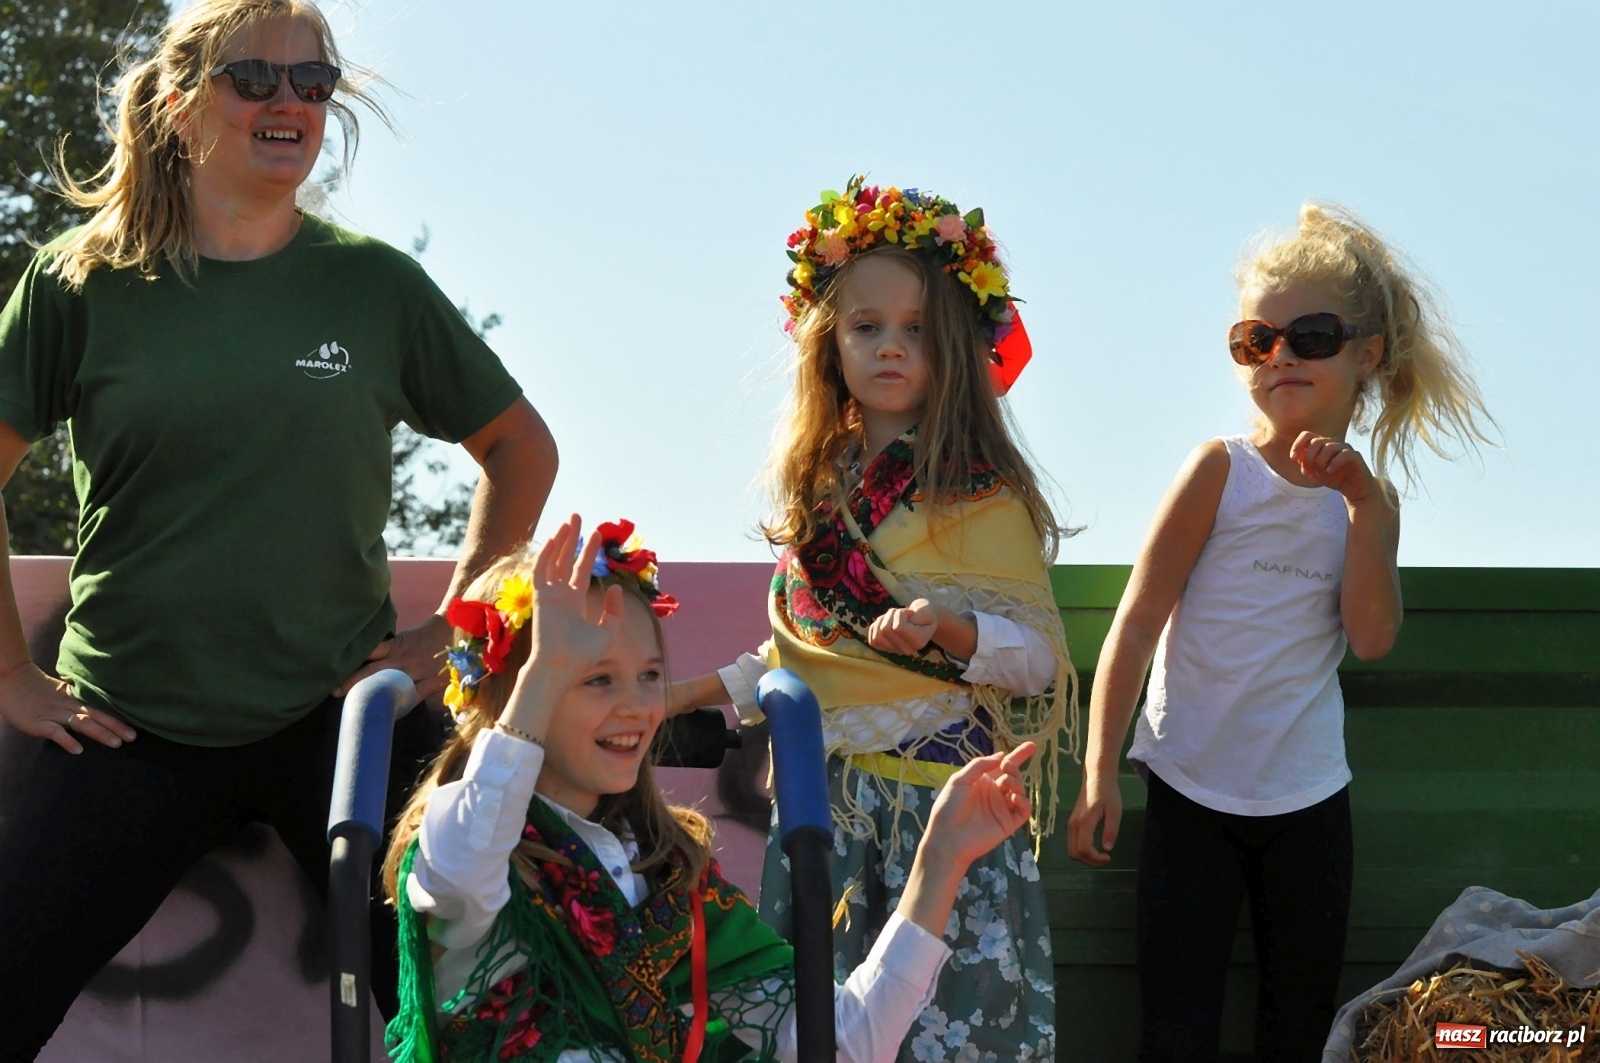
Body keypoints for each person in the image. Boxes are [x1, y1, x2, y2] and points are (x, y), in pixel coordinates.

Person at [0, 1, 557, 1056]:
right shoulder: (77, 281)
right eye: (253, 78)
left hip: (336, 718)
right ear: (179, 103)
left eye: (313, 80)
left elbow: (523, 448)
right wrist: (11, 678)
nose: (288, 101)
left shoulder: (374, 285)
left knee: (480, 1004)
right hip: (123, 720)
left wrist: (453, 629)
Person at [1065, 204, 1497, 1062]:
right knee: (1175, 1030)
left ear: (1367, 352)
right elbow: (1140, 616)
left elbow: (1371, 637)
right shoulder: (1219, 470)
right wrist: (1097, 770)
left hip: (1308, 806)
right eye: (1256, 340)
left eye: (1311, 335)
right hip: (1188, 791)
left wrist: (1362, 504)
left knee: (1297, 1032)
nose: (1282, 358)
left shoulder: (1371, 505)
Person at [382, 515, 1039, 1062]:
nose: (638, 707)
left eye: (648, 675)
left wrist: (940, 860)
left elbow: (839, 1042)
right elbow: (467, 866)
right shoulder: (460, 838)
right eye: (594, 677)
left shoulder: (668, 880)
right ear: (510, 697)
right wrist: (545, 671)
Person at [670, 177, 1076, 1061]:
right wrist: (679, 693)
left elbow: (1038, 661)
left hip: (942, 817)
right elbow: (802, 653)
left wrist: (952, 631)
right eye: (866, 327)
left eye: (917, 329)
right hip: (826, 820)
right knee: (821, 1037)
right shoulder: (826, 492)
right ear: (829, 344)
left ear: (959, 348)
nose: (891, 347)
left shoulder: (983, 495)